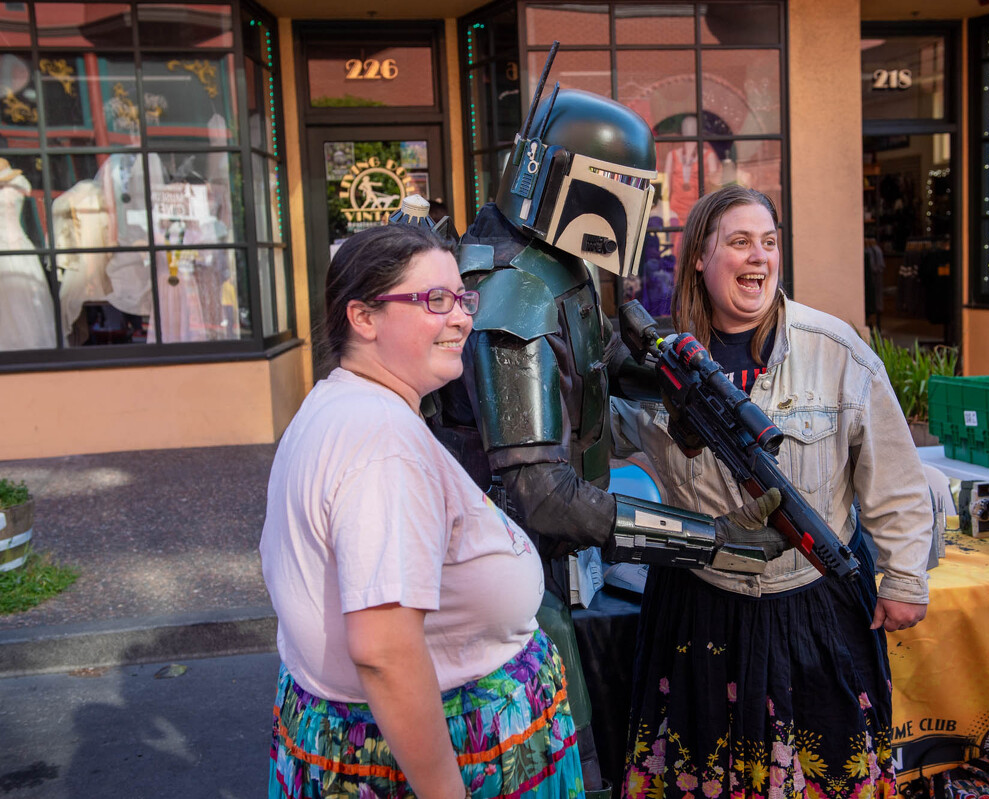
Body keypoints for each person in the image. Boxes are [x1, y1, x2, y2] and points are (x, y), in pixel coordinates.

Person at [433, 73, 786, 796]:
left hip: (538, 560)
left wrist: (673, 376)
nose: (638, 209)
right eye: (626, 188)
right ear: (581, 186)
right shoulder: (517, 297)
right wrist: (711, 538)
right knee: (566, 758)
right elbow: (541, 495)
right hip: (508, 570)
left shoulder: (551, 264)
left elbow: (596, 364)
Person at [612, 185, 933, 798]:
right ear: (700, 257)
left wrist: (904, 578)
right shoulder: (658, 361)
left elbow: (895, 478)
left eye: (768, 241)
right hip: (697, 605)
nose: (759, 256)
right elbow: (596, 434)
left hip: (815, 603)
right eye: (739, 242)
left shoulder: (834, 349)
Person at [260, 223, 584, 799]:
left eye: (462, 298)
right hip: (450, 761)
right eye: (435, 300)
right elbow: (383, 651)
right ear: (364, 318)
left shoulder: (341, 401)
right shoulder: (382, 443)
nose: (461, 319)